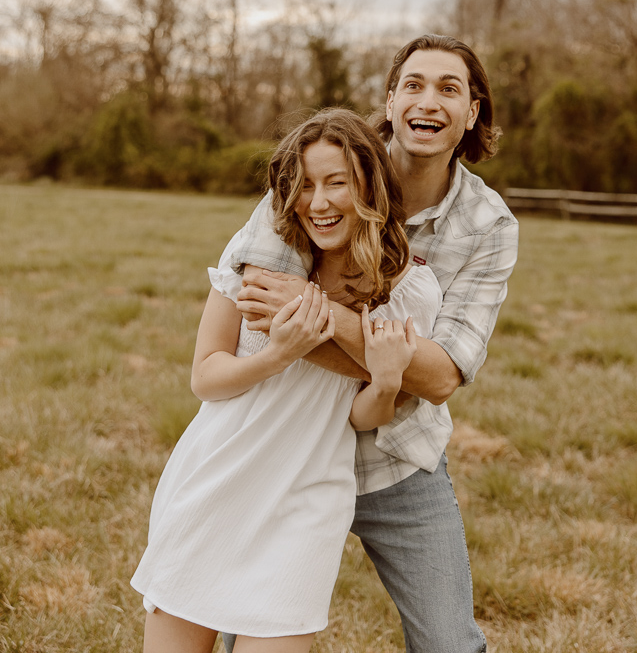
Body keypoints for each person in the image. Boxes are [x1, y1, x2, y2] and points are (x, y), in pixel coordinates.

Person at [222, 34, 520, 653]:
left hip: (397, 454)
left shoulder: (489, 225)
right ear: (390, 101)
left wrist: (316, 324)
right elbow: (258, 307)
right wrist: (381, 351)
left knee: (450, 643)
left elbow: (440, 377)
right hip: (291, 442)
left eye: (449, 88)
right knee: (247, 627)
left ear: (473, 114)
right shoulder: (323, 166)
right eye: (413, 84)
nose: (428, 100)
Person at [131, 109, 443, 653]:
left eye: (336, 184)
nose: (317, 203)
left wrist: (388, 381)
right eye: (305, 186)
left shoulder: (409, 290)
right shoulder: (256, 260)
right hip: (217, 480)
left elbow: (358, 417)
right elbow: (206, 377)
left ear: (370, 184)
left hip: (306, 500)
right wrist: (276, 355)